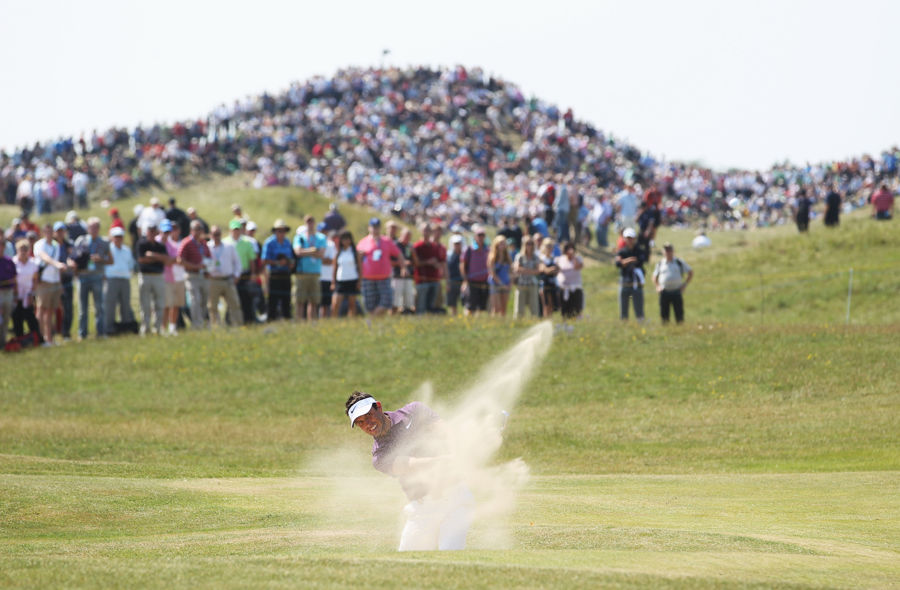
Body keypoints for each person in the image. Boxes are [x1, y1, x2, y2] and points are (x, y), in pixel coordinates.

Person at [345, 392, 473, 551]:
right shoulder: (379, 456)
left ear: (378, 407)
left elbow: (446, 431)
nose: (368, 424)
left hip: (455, 498)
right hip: (422, 509)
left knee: (451, 553)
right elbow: (411, 465)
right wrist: (445, 460)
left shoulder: (414, 411)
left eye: (369, 415)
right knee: (408, 562)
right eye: (360, 422)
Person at [71, 217, 112, 339]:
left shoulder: (104, 242)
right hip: (83, 277)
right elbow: (73, 257)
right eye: (91, 227)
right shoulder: (81, 241)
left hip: (97, 276)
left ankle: (101, 332)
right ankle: (82, 334)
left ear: (99, 228)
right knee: (83, 308)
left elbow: (110, 260)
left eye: (96, 227)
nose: (93, 230)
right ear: (87, 228)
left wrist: (101, 259)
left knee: (99, 307)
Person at [357, 218, 401, 316]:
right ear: (369, 228)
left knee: (387, 300)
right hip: (367, 278)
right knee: (370, 304)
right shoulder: (363, 242)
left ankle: (371, 320)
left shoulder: (387, 241)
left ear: (380, 228)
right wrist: (359, 276)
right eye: (373, 227)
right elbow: (358, 260)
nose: (375, 229)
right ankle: (375, 326)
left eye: (377, 227)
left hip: (384, 277)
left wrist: (403, 267)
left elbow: (398, 254)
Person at [33, 223, 67, 345]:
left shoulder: (56, 245)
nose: (48, 234)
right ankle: (39, 338)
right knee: (41, 309)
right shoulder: (39, 244)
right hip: (43, 281)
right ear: (43, 232)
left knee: (51, 311)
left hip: (54, 281)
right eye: (46, 231)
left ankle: (49, 339)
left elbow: (58, 263)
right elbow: (44, 257)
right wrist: (57, 264)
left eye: (50, 231)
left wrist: (59, 283)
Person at [136, 222, 170, 335]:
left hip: (158, 276)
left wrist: (153, 256)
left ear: (156, 232)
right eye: (149, 231)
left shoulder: (160, 246)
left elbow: (166, 260)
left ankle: (158, 328)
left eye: (153, 231)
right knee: (145, 304)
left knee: (159, 303)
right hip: (145, 276)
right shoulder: (141, 244)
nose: (151, 233)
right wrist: (157, 259)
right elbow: (141, 259)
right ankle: (145, 328)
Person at [177, 220, 212, 329]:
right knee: (195, 299)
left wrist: (207, 269)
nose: (199, 231)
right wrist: (195, 266)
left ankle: (202, 322)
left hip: (203, 276)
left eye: (200, 229)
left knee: (204, 300)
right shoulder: (186, 242)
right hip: (191, 276)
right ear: (191, 230)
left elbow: (209, 258)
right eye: (196, 229)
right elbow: (180, 260)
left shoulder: (203, 243)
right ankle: (196, 324)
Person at [206, 225, 243, 327]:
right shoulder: (207, 247)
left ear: (221, 235)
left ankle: (237, 325)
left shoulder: (229, 246)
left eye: (218, 234)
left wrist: (236, 276)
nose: (216, 236)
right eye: (214, 234)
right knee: (212, 306)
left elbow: (237, 263)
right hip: (213, 280)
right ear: (210, 235)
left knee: (234, 304)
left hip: (228, 279)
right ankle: (215, 326)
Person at [223, 219, 258, 325]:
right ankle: (230, 321)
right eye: (234, 230)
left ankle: (248, 320)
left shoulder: (247, 242)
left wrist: (253, 273)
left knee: (246, 298)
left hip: (244, 275)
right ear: (230, 230)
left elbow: (252, 260)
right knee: (231, 299)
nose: (236, 232)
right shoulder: (225, 242)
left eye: (238, 229)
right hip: (231, 275)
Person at [293, 215, 327, 321]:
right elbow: (298, 252)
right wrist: (313, 250)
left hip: (315, 273)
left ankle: (312, 322)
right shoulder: (300, 237)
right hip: (301, 273)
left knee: (314, 301)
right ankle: (299, 321)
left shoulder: (321, 237)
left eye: (311, 222)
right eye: (308, 222)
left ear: (314, 223)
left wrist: (305, 251)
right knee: (300, 300)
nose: (310, 224)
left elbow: (321, 254)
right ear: (305, 223)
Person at [261, 219, 295, 321]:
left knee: (286, 300)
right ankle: (271, 320)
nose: (281, 233)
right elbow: (264, 260)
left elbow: (291, 258)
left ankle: (287, 319)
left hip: (286, 275)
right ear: (275, 231)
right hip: (274, 275)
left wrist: (289, 263)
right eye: (279, 231)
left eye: (283, 230)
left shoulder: (288, 242)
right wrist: (277, 263)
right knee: (273, 300)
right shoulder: (269, 243)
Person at [104, 227, 136, 334]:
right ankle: (109, 328)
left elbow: (131, 264)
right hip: (111, 279)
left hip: (125, 279)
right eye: (116, 237)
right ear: (112, 238)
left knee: (125, 304)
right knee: (110, 304)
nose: (118, 239)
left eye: (120, 236)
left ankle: (125, 326)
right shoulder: (108, 249)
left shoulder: (126, 250)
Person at [652, 243, 693, 324]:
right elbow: (654, 276)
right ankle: (666, 329)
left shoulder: (679, 262)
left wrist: (684, 285)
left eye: (669, 250)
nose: (668, 252)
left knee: (679, 314)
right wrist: (657, 286)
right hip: (664, 292)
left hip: (677, 291)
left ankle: (680, 329)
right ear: (663, 252)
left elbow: (690, 272)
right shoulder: (660, 263)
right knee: (664, 315)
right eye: (666, 250)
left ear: (673, 251)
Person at [160, 219, 185, 336]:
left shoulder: (173, 244)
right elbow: (168, 261)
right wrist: (168, 260)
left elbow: (176, 260)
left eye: (168, 231)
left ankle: (172, 327)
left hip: (174, 278)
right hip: (162, 278)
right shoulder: (156, 242)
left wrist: (168, 260)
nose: (167, 234)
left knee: (175, 304)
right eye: (165, 231)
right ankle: (162, 327)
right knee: (165, 305)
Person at [12, 240, 41, 342]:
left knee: (31, 319)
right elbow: (12, 279)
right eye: (21, 249)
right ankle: (19, 340)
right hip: (16, 296)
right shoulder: (13, 262)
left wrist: (31, 294)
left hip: (28, 296)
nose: (23, 252)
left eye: (25, 249)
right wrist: (15, 295)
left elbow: (35, 280)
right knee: (17, 320)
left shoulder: (33, 263)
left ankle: (37, 339)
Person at [615, 227, 646, 321]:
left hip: (637, 284)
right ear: (624, 238)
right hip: (625, 283)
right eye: (627, 238)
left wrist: (624, 261)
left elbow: (639, 262)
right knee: (623, 310)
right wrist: (629, 260)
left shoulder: (639, 250)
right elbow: (618, 264)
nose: (629, 240)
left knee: (639, 309)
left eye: (631, 238)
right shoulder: (622, 251)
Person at [53, 221, 76, 340]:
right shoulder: (51, 245)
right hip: (53, 281)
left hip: (66, 280)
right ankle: (52, 332)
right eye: (58, 231)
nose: (61, 233)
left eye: (62, 231)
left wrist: (70, 262)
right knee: (52, 308)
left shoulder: (69, 244)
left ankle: (65, 332)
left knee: (68, 308)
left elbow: (73, 258)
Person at [411, 224, 441, 314]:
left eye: (428, 230)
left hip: (434, 279)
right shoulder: (416, 246)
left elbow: (439, 262)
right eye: (424, 230)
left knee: (432, 307)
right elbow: (415, 263)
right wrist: (427, 262)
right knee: (420, 307)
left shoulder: (434, 246)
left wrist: (436, 264)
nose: (426, 232)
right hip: (421, 280)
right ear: (421, 231)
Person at [331, 230, 361, 318]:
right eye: (344, 239)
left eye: (348, 239)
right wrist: (333, 282)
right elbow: (335, 268)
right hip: (341, 280)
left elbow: (360, 268)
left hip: (352, 279)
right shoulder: (338, 253)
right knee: (336, 303)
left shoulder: (355, 253)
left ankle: (351, 321)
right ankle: (333, 320)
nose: (346, 241)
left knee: (352, 304)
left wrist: (359, 281)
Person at [461, 225, 490, 315]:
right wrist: (465, 280)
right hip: (472, 282)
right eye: (479, 235)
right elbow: (462, 265)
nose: (481, 237)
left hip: (485, 282)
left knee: (482, 307)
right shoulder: (469, 250)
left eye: (482, 235)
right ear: (475, 237)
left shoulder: (488, 250)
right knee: (470, 306)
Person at [512, 235, 541, 318]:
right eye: (527, 243)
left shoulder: (535, 257)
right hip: (521, 284)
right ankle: (518, 322)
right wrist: (531, 271)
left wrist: (524, 270)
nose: (529, 245)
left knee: (534, 307)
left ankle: (534, 321)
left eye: (531, 243)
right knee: (519, 307)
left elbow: (538, 271)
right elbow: (517, 268)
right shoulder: (520, 256)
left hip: (532, 284)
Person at [555, 241, 584, 319]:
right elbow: (557, 270)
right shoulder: (560, 259)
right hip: (564, 288)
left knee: (576, 310)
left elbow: (577, 267)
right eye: (568, 248)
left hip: (575, 288)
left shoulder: (578, 258)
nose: (570, 250)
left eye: (571, 248)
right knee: (565, 310)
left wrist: (573, 256)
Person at [487, 235, 512, 316]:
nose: (502, 245)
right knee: (496, 308)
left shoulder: (508, 257)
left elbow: (510, 271)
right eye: (501, 243)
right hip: (495, 284)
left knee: (503, 308)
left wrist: (510, 283)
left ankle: (502, 325)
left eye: (504, 243)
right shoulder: (492, 257)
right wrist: (501, 284)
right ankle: (494, 324)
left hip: (506, 283)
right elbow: (492, 273)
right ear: (496, 244)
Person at [0, 234, 17, 348]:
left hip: (9, 292)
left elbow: (14, 278)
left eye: (2, 245)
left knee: (6, 319)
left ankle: (3, 342)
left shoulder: (9, 261)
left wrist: (15, 294)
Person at [537, 238, 558, 318]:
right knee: (546, 304)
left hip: (552, 283)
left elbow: (557, 270)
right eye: (548, 246)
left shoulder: (553, 258)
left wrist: (552, 270)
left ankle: (550, 320)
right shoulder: (542, 258)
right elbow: (544, 269)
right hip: (544, 284)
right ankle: (546, 320)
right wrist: (552, 269)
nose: (550, 248)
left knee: (552, 305)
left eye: (551, 246)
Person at [445, 234, 464, 316]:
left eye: (459, 243)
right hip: (452, 281)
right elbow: (447, 269)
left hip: (463, 282)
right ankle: (454, 315)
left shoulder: (464, 255)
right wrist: (447, 282)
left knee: (465, 301)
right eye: (455, 244)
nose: (457, 245)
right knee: (452, 302)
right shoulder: (449, 255)